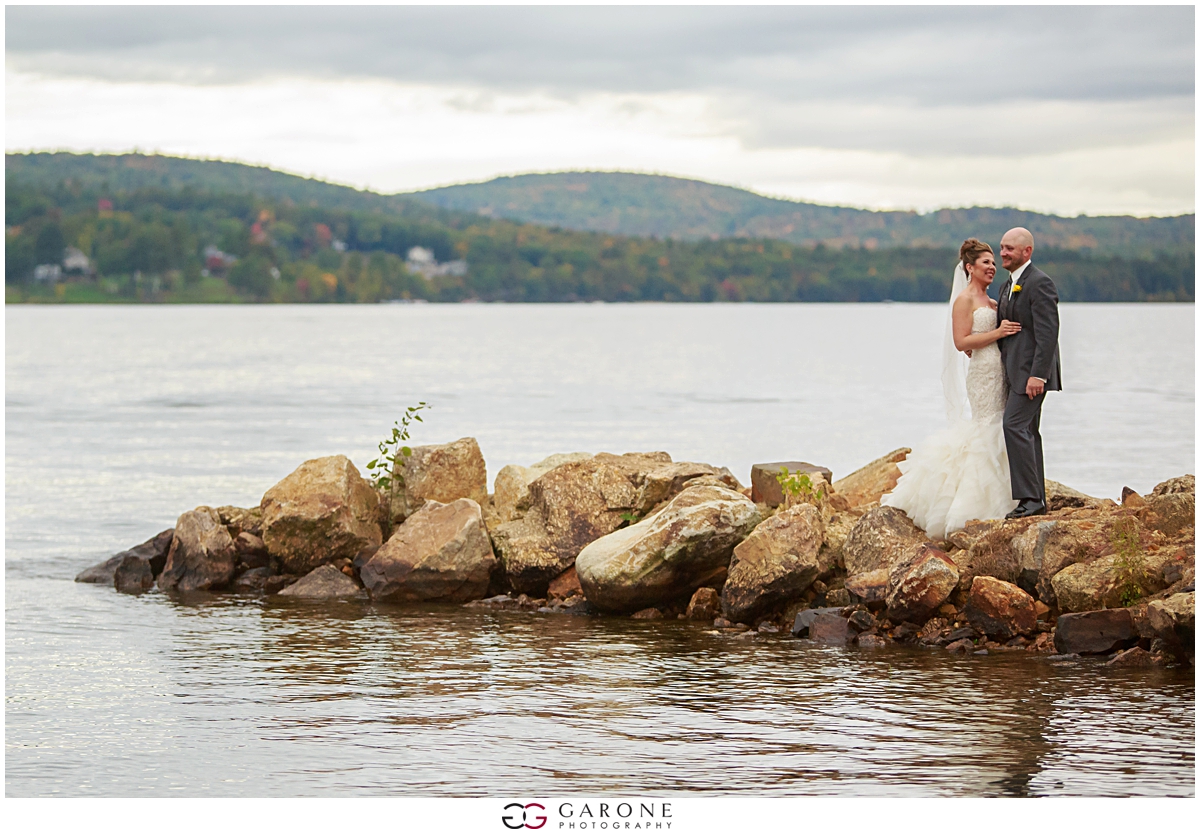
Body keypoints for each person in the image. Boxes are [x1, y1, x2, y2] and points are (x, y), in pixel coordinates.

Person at [881, 239, 1021, 538]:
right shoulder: (965, 300)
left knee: (1000, 425)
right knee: (987, 425)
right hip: (983, 371)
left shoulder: (993, 301)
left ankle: (1013, 495)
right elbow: (961, 342)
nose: (992, 267)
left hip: (1000, 368)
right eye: (986, 263)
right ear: (970, 268)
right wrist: (996, 332)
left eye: (994, 263)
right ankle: (974, 505)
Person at [996, 227, 1062, 518]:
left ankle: (1029, 499)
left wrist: (1039, 374)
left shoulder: (1040, 283)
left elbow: (1048, 334)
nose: (1003, 253)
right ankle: (1037, 500)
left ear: (1027, 252)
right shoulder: (1007, 284)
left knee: (1013, 426)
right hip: (1015, 372)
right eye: (1001, 247)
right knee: (1029, 432)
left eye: (1009, 248)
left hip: (1032, 375)